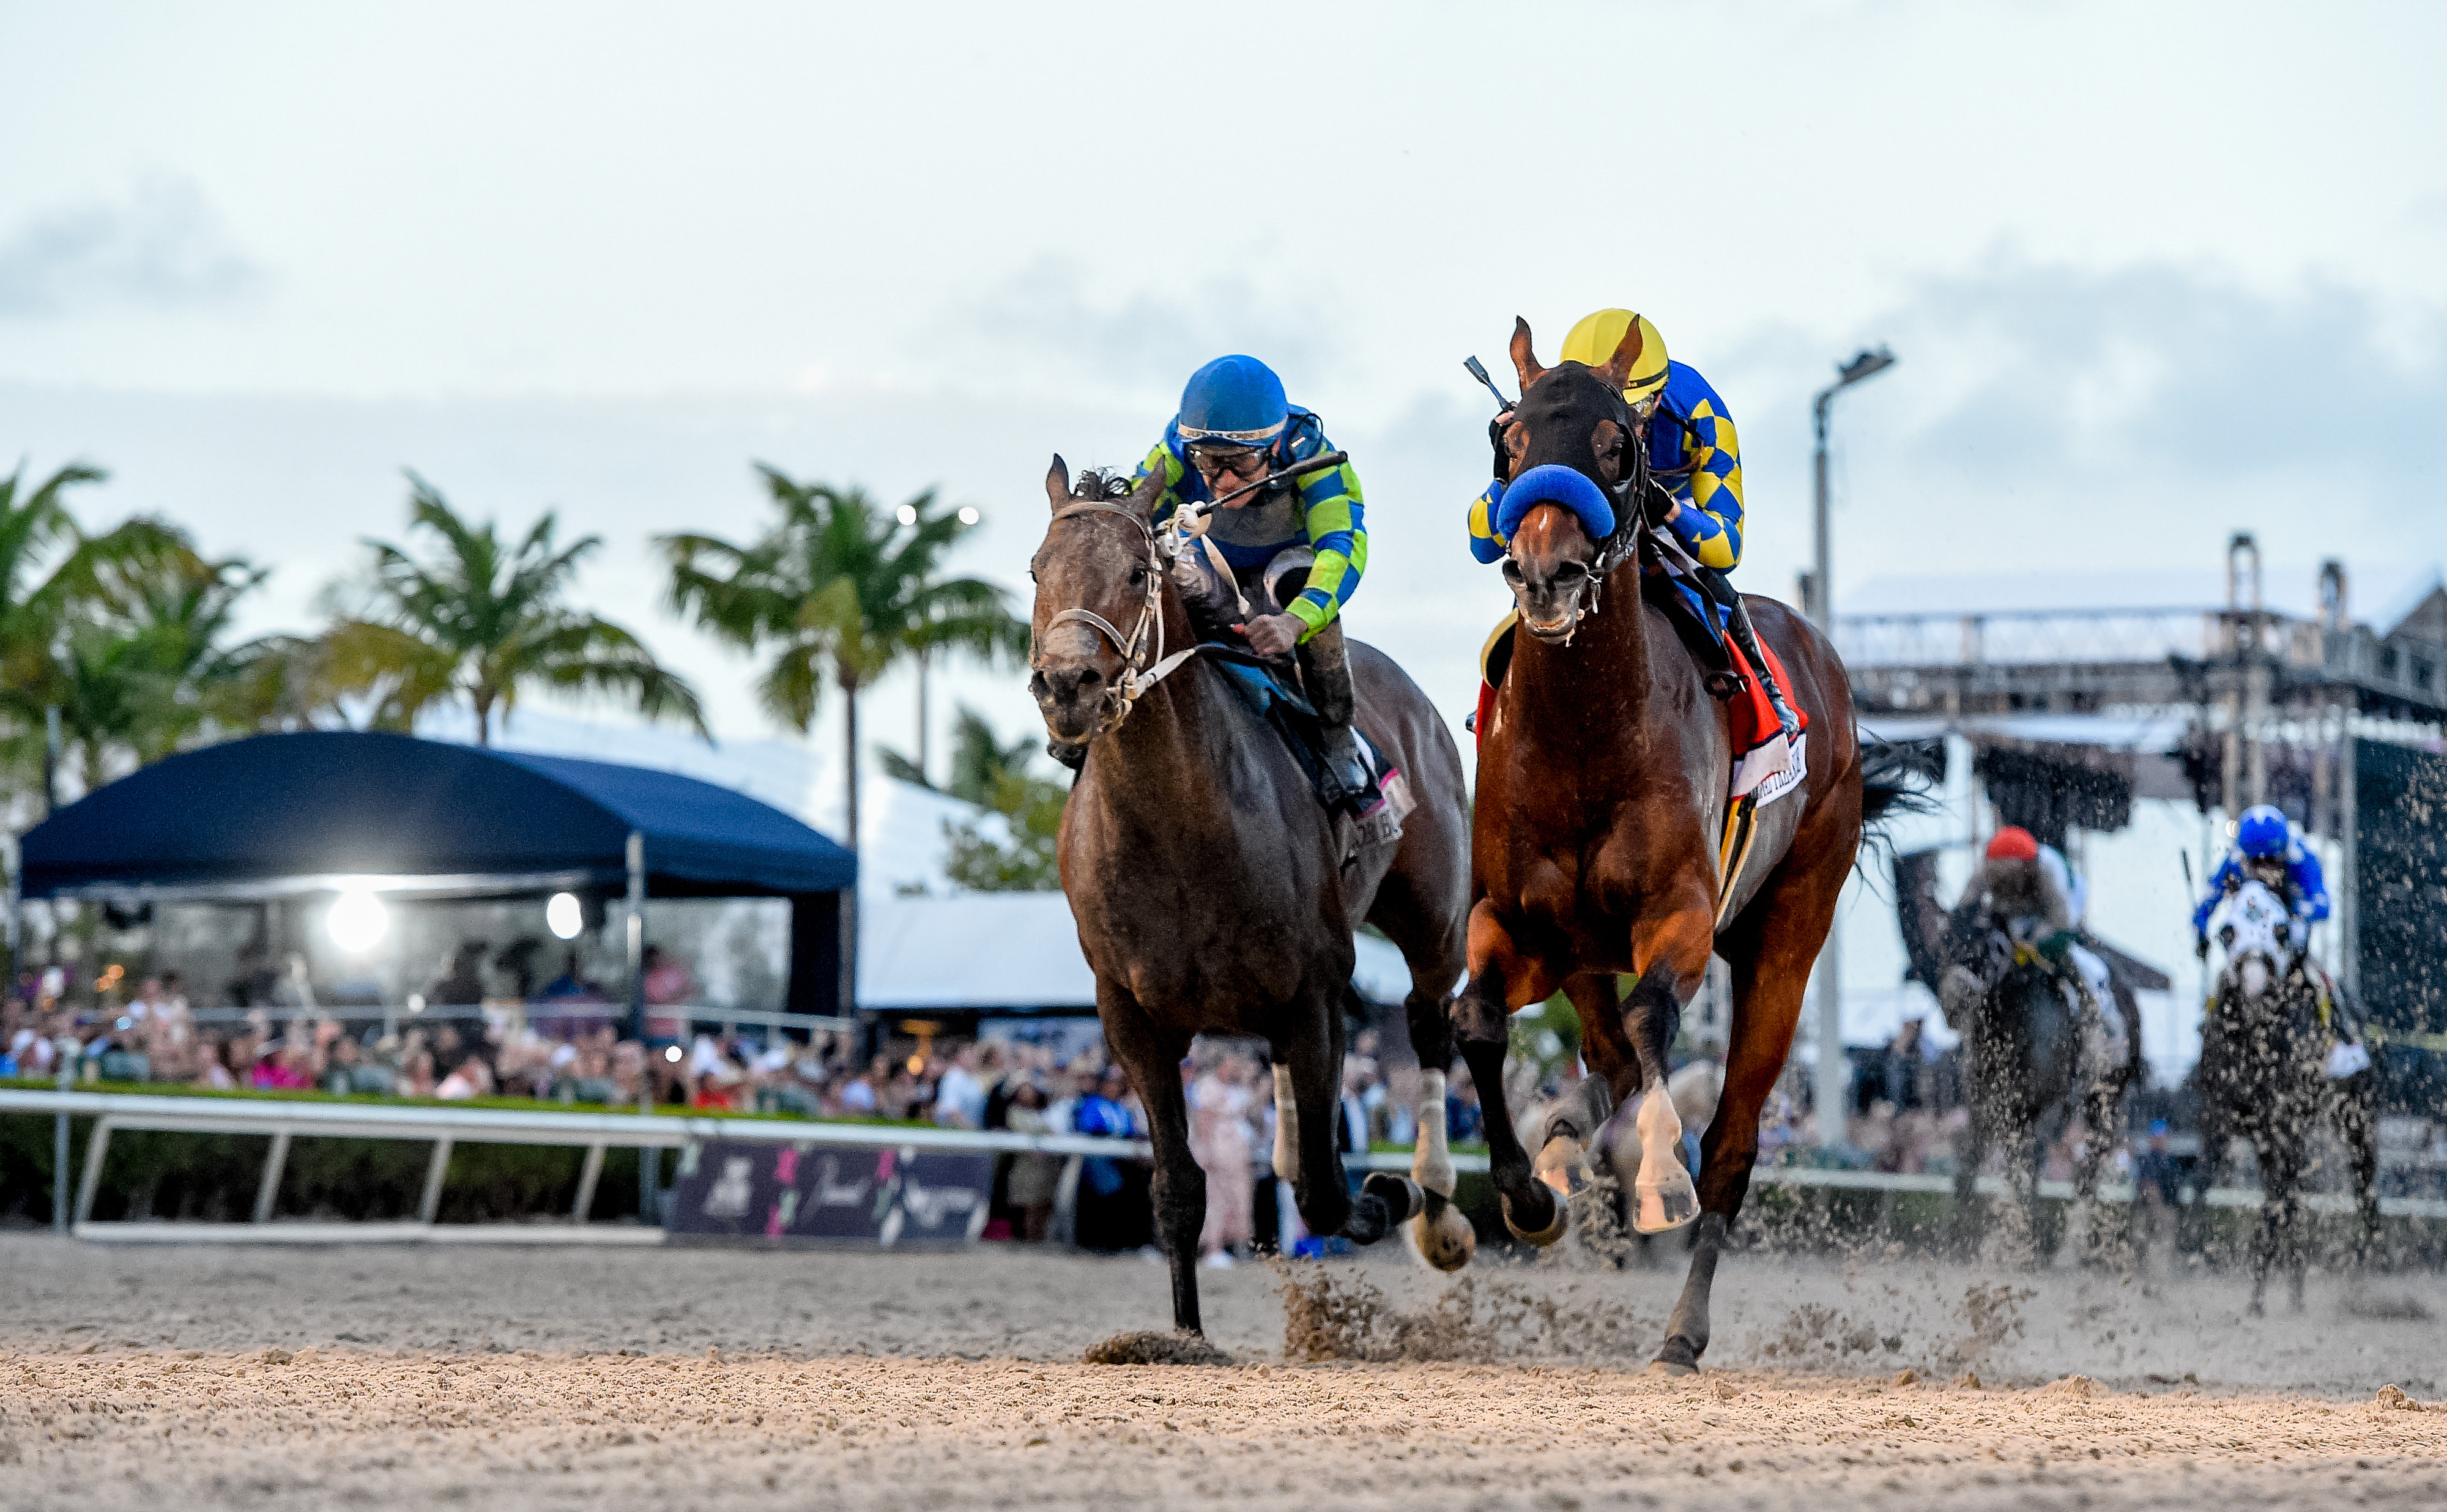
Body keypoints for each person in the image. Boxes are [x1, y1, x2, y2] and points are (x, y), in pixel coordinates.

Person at [1466, 308, 1796, 743]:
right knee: (1539, 569)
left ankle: (1766, 694)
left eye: (1638, 406)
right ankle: (1494, 707)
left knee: (1716, 591)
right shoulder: (1554, 409)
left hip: (1662, 524)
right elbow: (1484, 546)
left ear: (1658, 396)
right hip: (1586, 520)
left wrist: (1669, 510)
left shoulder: (1701, 411)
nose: (1629, 418)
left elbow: (1727, 547)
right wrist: (1504, 464)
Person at [1123, 354, 1374, 809]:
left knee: (1294, 579)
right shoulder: (1173, 454)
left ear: (1275, 447)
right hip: (1211, 563)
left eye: (1240, 463)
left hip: (1288, 567)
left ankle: (1337, 736)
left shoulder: (1315, 456)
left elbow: (1341, 548)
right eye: (1208, 462)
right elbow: (1126, 525)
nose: (1222, 480)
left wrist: (1295, 623)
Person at [2192, 803, 2330, 952]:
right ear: (2245, 857)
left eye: (2272, 860)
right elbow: (2212, 895)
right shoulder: (2235, 861)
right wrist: (2201, 928)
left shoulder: (2300, 858)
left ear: (2284, 854)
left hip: (2289, 946)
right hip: (2244, 943)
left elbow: (2322, 904)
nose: (2263, 869)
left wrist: (2296, 909)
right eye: (2255, 862)